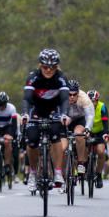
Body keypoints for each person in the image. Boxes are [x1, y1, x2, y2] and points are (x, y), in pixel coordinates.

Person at [21, 48, 70, 191]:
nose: (48, 70)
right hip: (35, 110)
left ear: (57, 67)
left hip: (54, 110)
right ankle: (32, 173)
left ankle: (58, 173)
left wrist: (64, 115)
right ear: (40, 65)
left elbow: (64, 100)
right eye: (45, 67)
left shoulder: (61, 78)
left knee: (55, 135)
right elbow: (27, 99)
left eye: (52, 67)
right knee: (32, 140)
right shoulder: (33, 77)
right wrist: (25, 114)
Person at [66, 79, 94, 175]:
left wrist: (87, 129)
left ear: (78, 93)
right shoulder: (61, 97)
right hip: (67, 119)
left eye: (74, 94)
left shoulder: (84, 98)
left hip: (80, 119)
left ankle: (81, 163)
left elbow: (90, 116)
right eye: (69, 94)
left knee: (78, 135)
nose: (72, 97)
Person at [86, 89, 109, 188]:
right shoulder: (84, 106)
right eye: (90, 101)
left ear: (97, 100)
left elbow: (105, 123)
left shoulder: (102, 107)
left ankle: (99, 174)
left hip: (100, 132)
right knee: (81, 150)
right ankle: (83, 168)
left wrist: (106, 134)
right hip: (88, 131)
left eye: (94, 101)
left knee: (101, 152)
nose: (92, 103)